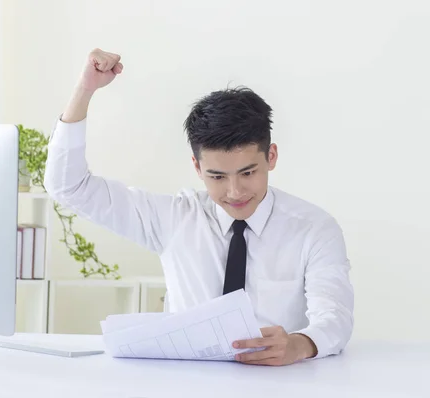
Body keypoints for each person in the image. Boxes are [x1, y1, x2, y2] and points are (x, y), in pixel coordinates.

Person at [44, 48, 354, 366]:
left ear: (271, 157)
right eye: (217, 176)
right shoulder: (174, 218)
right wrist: (85, 89)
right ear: (196, 166)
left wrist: (300, 343)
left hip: (278, 383)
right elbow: (69, 187)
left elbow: (334, 317)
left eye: (248, 173)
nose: (234, 191)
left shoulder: (314, 228)